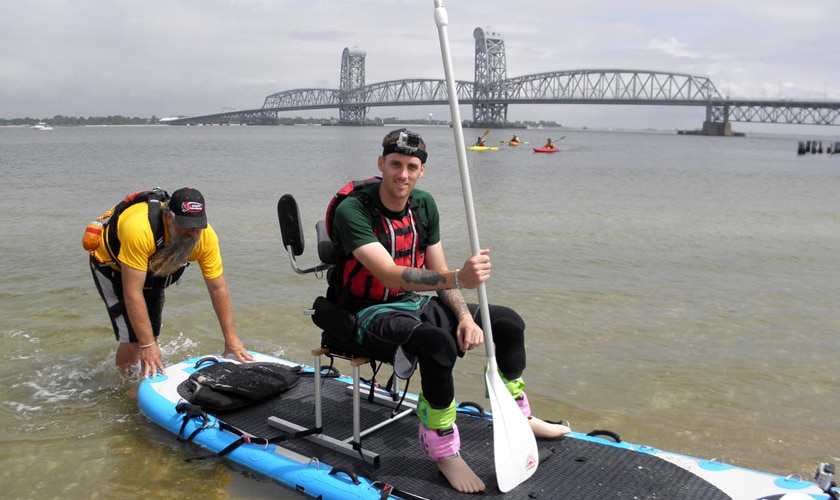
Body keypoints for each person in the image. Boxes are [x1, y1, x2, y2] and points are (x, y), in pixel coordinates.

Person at [329, 129, 570, 493]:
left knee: (507, 323)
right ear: (381, 164)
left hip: (416, 302)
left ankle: (519, 415)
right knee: (438, 344)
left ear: (421, 170)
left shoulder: (424, 205)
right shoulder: (354, 211)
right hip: (367, 312)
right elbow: (389, 273)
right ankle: (442, 449)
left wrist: (466, 318)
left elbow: (438, 273)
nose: (403, 174)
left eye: (412, 167)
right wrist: (460, 276)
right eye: (395, 164)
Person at [89, 187, 253, 378]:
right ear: (169, 217)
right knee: (135, 341)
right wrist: (146, 345)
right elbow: (133, 291)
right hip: (112, 266)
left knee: (153, 334)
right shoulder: (140, 229)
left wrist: (231, 339)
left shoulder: (206, 237)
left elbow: (218, 288)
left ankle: (146, 373)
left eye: (197, 226)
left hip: (154, 264)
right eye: (186, 226)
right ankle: (125, 384)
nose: (193, 233)